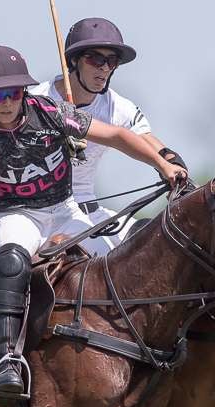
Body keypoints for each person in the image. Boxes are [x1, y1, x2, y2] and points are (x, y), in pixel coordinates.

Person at [0, 45, 186, 402]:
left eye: (13, 92)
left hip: (63, 209)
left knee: (116, 262)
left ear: (25, 91)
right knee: (10, 261)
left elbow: (117, 136)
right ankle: (7, 358)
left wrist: (162, 165)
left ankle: (144, 346)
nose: (6, 102)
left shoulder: (51, 112)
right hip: (14, 214)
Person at [30, 17, 187, 252]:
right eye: (96, 59)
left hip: (89, 211)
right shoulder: (35, 100)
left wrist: (171, 162)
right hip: (41, 216)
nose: (104, 67)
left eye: (112, 61)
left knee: (157, 248)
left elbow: (145, 138)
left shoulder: (118, 106)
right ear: (73, 60)